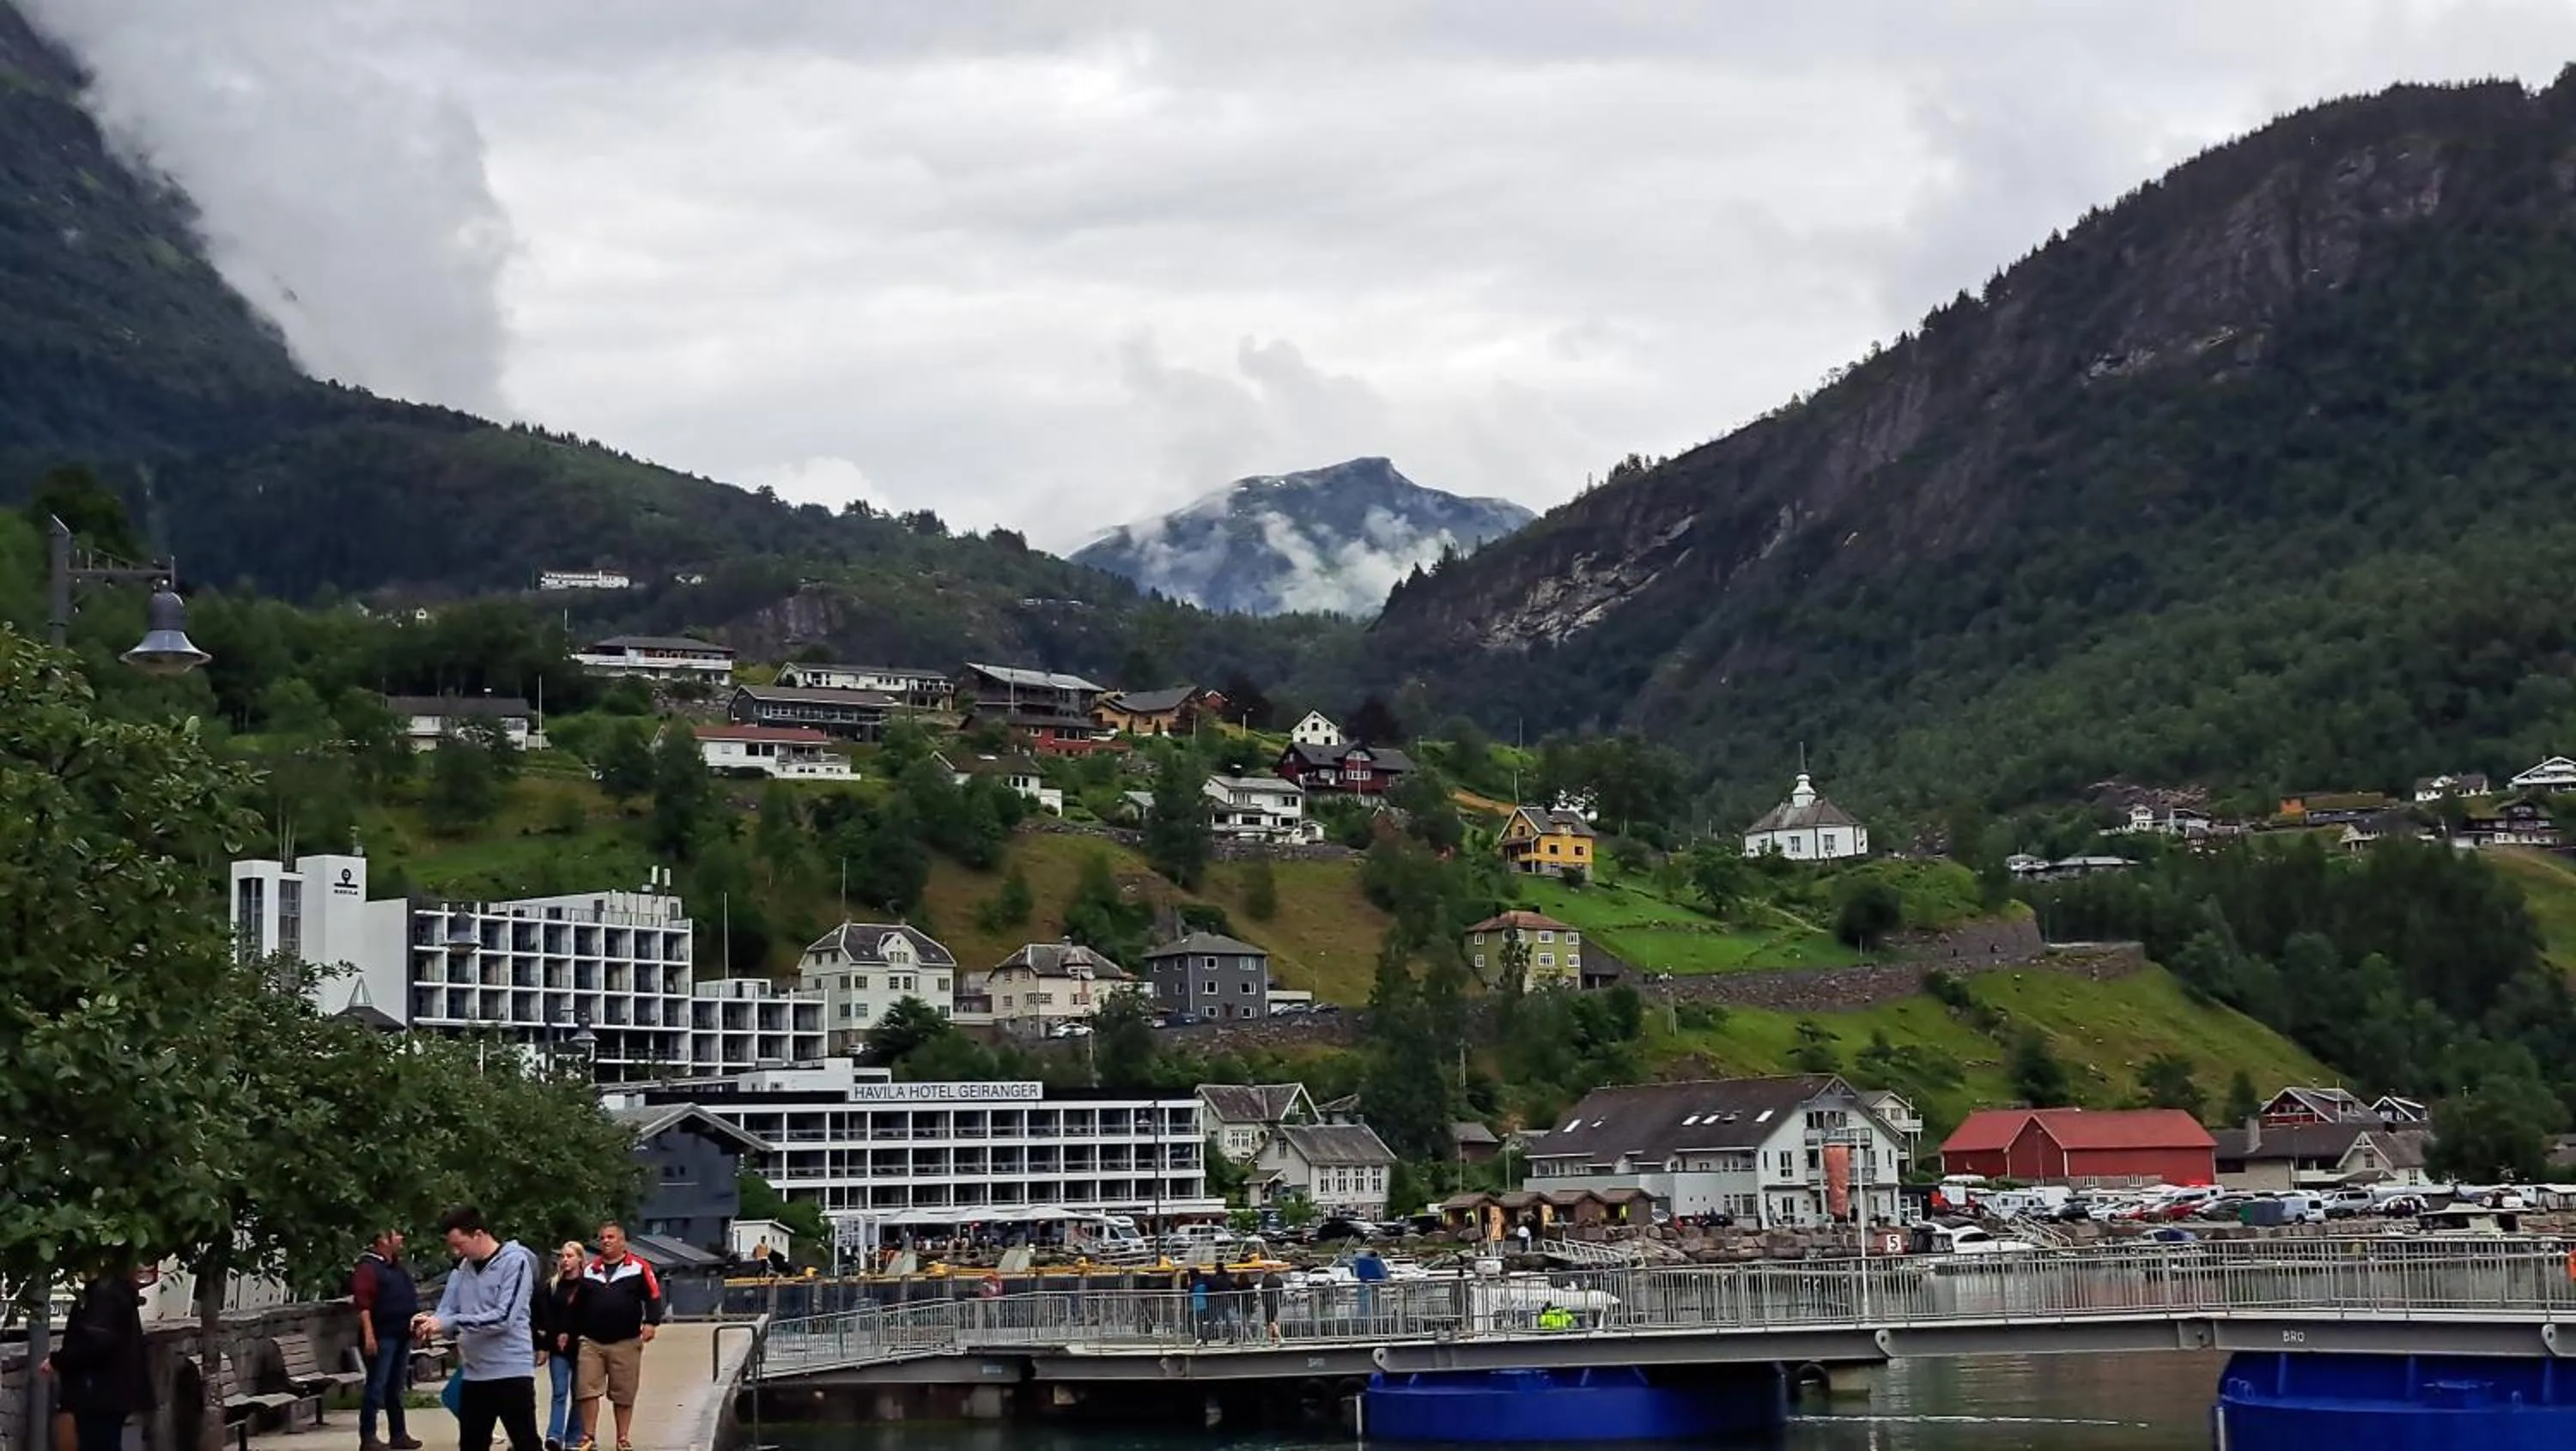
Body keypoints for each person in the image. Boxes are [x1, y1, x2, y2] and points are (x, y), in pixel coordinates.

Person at [414, 1205, 542, 1451]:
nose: (456, 1251)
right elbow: (447, 1310)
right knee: (472, 1444)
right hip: (474, 1373)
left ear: (479, 1234)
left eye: (459, 1244)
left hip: (510, 1371)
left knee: (526, 1442)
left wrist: (449, 1322)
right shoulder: (462, 1270)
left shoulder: (515, 1262)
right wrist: (429, 1322)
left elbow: (503, 1318)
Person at [574, 1223, 663, 1451]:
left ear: (622, 1241)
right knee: (586, 1390)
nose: (605, 1241)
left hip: (626, 1340)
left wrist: (651, 1322)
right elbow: (576, 1304)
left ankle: (622, 1438)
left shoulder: (639, 1267)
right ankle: (588, 1437)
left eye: (611, 1237)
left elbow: (653, 1296)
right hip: (591, 1341)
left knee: (624, 1392)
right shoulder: (589, 1270)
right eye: (602, 1237)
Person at [52, 1266, 152, 1451]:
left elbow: (95, 1342)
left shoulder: (102, 1293)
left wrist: (57, 1361)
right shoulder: (116, 1289)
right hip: (110, 1392)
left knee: (98, 1442)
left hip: (99, 1393)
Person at [353, 1229, 424, 1451]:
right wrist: (369, 1334)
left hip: (401, 1333)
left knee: (395, 1388)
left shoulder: (397, 1267)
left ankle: (399, 1434)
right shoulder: (369, 1267)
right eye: (396, 1235)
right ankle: (368, 1436)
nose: (401, 1238)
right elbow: (363, 1303)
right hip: (382, 1334)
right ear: (383, 1240)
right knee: (376, 1386)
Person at [534, 1242, 589, 1451]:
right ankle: (554, 1435)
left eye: (570, 1256)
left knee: (579, 1393)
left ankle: (574, 1437)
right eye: (563, 1256)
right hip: (558, 1349)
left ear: (579, 1260)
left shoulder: (587, 1286)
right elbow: (543, 1317)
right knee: (559, 1391)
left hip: (582, 1346)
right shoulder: (551, 1287)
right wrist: (546, 1344)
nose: (565, 1260)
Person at [1259, 1268, 1285, 1344]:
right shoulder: (1278, 1279)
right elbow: (1281, 1290)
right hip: (1276, 1301)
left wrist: (1263, 1301)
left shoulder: (1265, 1280)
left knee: (1270, 1320)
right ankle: (1271, 1339)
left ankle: (1278, 1336)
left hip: (1268, 1302)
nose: (1263, 1271)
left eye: (1265, 1270)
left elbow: (1263, 1291)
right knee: (1272, 1319)